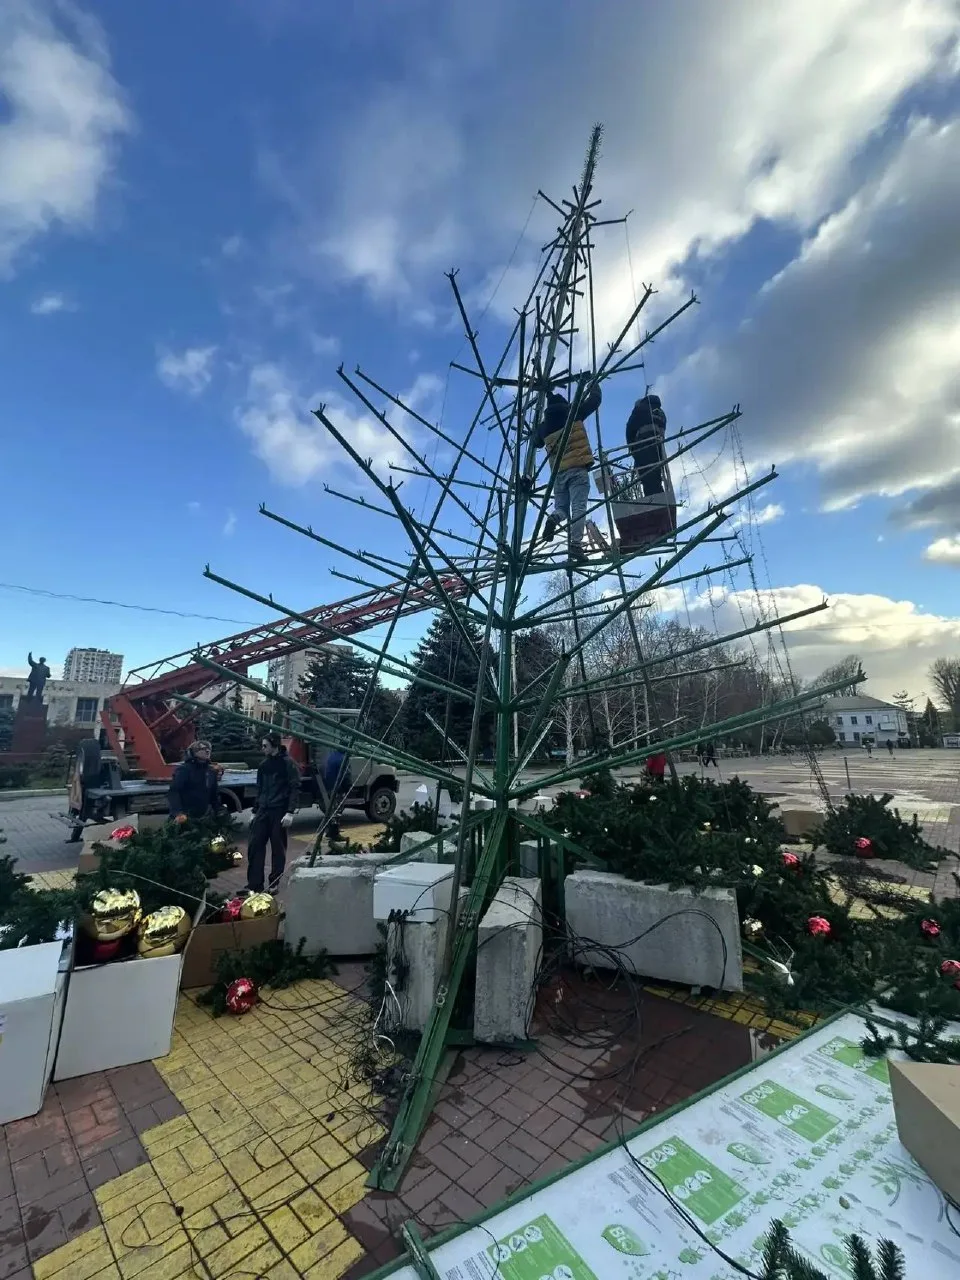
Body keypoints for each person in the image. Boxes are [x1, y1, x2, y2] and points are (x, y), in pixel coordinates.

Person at [536, 380, 602, 564]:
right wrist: (594, 385)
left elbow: (536, 442)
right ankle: (575, 545)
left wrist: (538, 427)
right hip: (578, 469)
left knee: (562, 508)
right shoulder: (572, 412)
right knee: (578, 507)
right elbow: (594, 401)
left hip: (558, 474)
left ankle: (553, 519)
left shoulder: (544, 426)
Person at [246, 732, 301, 894]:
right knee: (255, 846)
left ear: (274, 745)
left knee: (278, 848)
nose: (263, 749)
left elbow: (294, 788)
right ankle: (255, 884)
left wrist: (290, 812)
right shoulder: (264, 765)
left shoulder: (288, 764)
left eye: (265, 746)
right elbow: (260, 789)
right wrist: (255, 810)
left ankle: (274, 882)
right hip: (263, 810)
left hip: (279, 811)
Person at [625, 393, 667, 496]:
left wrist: (632, 449)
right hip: (658, 447)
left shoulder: (638, 411)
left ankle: (652, 498)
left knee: (646, 476)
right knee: (656, 475)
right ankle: (659, 495)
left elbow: (629, 429)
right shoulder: (660, 412)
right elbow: (662, 428)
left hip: (643, 447)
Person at [168, 740, 219, 821]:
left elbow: (214, 794)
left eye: (209, 748)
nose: (207, 751)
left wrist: (218, 810)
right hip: (185, 817)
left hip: (204, 817)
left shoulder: (211, 771)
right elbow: (174, 791)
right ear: (192, 752)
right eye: (203, 749)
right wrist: (177, 813)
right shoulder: (184, 769)